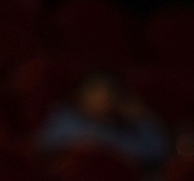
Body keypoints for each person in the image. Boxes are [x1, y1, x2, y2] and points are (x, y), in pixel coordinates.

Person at [35, 69, 167, 168]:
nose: (102, 100)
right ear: (82, 93)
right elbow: (45, 145)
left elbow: (156, 152)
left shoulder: (120, 127)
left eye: (108, 94)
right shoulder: (65, 118)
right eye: (95, 92)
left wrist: (143, 119)